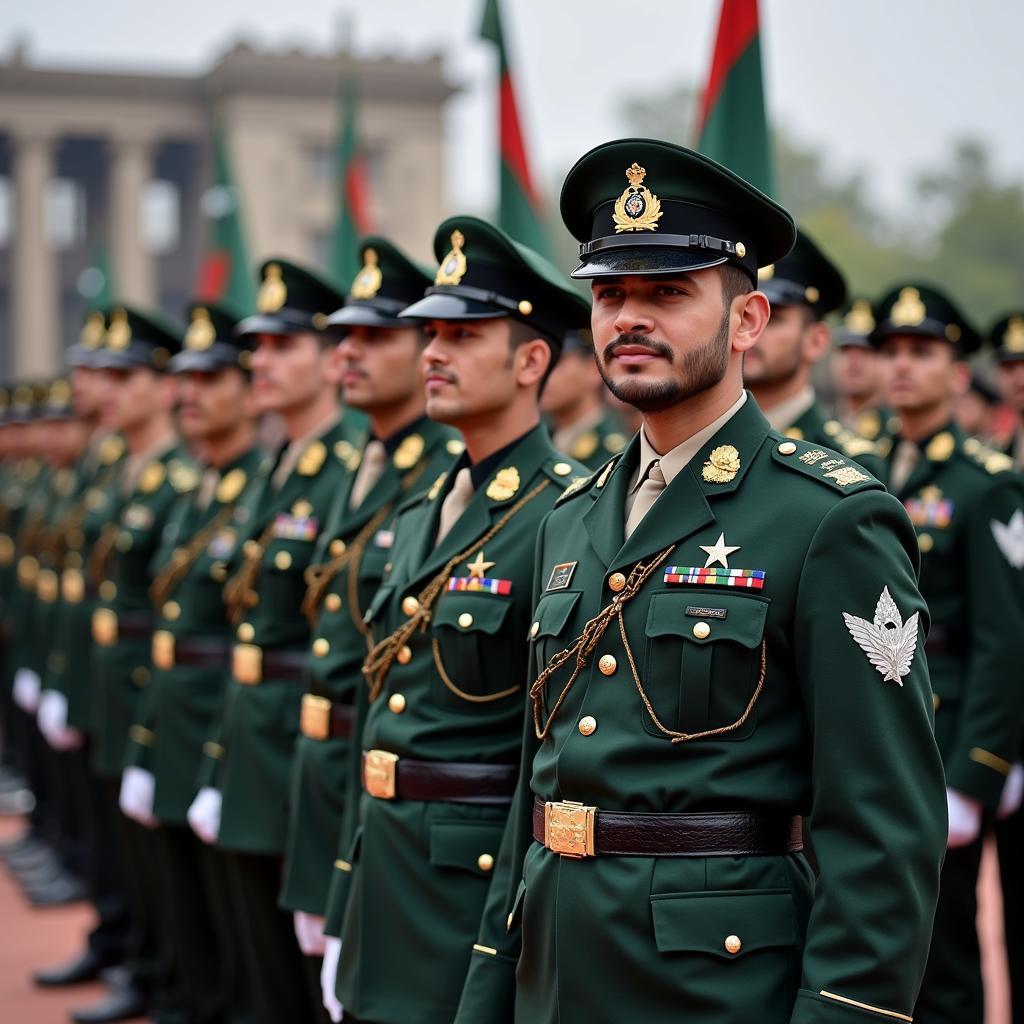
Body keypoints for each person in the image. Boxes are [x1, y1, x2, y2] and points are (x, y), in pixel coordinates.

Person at [456, 139, 946, 1024]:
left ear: (749, 319)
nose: (628, 318)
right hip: (556, 975)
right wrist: (489, 986)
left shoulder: (829, 519)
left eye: (668, 292)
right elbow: (536, 787)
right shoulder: (571, 516)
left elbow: (884, 829)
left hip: (712, 988)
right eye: (610, 294)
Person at [320, 215, 591, 1024]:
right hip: (387, 861)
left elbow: (546, 749)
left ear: (532, 359)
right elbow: (379, 716)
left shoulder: (564, 514)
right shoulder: (420, 509)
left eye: (463, 334)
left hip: (471, 882)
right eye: (430, 332)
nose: (432, 352)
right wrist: (343, 894)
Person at [188, 259, 362, 1024]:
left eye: (283, 346)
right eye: (257, 347)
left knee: (300, 971)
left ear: (331, 359)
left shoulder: (345, 470)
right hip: (257, 727)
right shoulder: (280, 467)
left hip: (307, 733)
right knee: (254, 945)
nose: (260, 362)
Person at [280, 236, 460, 972]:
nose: (348, 352)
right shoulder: (363, 465)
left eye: (375, 335)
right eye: (344, 335)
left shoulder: (444, 476)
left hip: (406, 795)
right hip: (330, 767)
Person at [869, 283, 1024, 1024]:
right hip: (874, 736)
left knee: (946, 959)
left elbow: (1004, 640)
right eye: (891, 351)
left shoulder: (985, 484)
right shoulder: (859, 466)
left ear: (958, 375)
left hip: (944, 735)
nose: (902, 367)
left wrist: (975, 775)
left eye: (922, 353)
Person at [118, 301, 267, 1023]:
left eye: (211, 378)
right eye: (185, 378)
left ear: (246, 389)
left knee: (241, 922)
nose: (191, 393)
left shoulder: (251, 483)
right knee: (184, 881)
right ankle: (177, 987)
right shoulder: (202, 486)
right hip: (183, 702)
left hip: (231, 709)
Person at [84, 305, 196, 1023]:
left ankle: (157, 968)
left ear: (161, 387)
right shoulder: (124, 470)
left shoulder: (179, 478)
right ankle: (134, 952)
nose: (108, 391)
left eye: (126, 377)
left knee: (169, 859)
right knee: (116, 831)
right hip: (122, 676)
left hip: (163, 682)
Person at [745, 229, 871, 460]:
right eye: (745, 314)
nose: (751, 329)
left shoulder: (846, 460)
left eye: (772, 318)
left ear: (816, 341)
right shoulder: (695, 439)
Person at [542, 328, 629, 469]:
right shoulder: (542, 441)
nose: (542, 374)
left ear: (593, 370)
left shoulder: (615, 456)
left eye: (557, 363)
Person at [831, 297, 894, 443]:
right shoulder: (820, 427)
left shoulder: (896, 433)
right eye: (846, 350)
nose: (854, 361)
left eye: (866, 351)